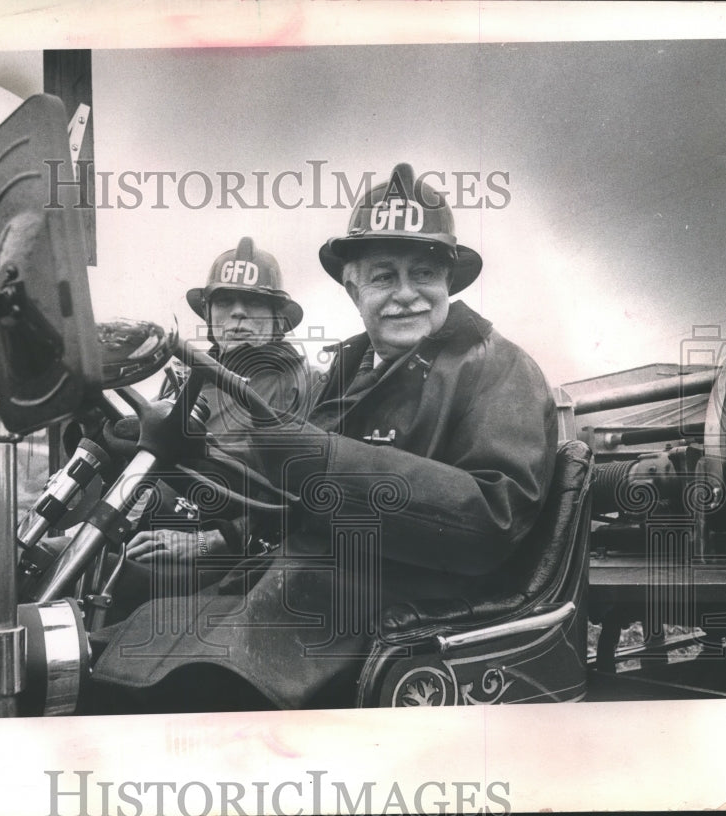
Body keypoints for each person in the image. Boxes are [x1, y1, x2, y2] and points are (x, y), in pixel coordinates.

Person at [88, 164, 557, 712]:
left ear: (447, 282)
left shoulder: (499, 367)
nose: (406, 294)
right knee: (97, 652)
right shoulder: (347, 369)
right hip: (291, 594)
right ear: (352, 286)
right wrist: (189, 454)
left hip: (387, 617)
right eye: (384, 277)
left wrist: (326, 461)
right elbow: (283, 494)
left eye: (423, 274)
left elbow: (492, 519)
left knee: (162, 697)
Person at [121, 237, 310, 564]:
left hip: (223, 554)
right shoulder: (182, 379)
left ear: (278, 318)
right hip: (144, 516)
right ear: (208, 314)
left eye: (252, 302)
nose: (238, 314)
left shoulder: (304, 384)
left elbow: (299, 500)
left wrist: (210, 542)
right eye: (225, 302)